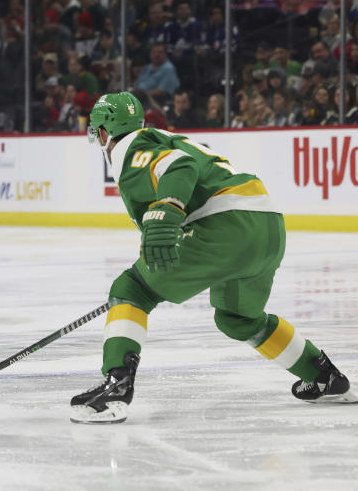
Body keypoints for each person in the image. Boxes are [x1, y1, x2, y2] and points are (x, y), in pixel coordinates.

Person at [71, 92, 357, 424]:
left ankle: (116, 386)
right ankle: (324, 376)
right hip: (267, 225)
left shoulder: (129, 148)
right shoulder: (158, 137)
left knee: (132, 288)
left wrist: (167, 209)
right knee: (238, 318)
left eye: (97, 134)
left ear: (105, 132)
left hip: (227, 225)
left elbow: (180, 166)